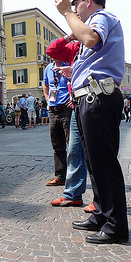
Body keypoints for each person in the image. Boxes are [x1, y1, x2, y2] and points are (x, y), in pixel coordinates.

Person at [55, 0, 128, 244]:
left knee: (104, 163)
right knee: (93, 161)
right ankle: (100, 212)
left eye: (76, 4)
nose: (74, 9)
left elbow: (89, 39)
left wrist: (66, 13)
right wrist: (72, 73)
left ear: (86, 1)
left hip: (98, 97)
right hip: (89, 96)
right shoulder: (95, 21)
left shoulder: (101, 17)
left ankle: (116, 224)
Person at [47, 34, 95, 213]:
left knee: (95, 152)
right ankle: (73, 194)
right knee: (74, 150)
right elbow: (51, 50)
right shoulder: (74, 48)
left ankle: (101, 199)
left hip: (92, 98)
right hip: (76, 102)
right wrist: (70, 37)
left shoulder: (95, 41)